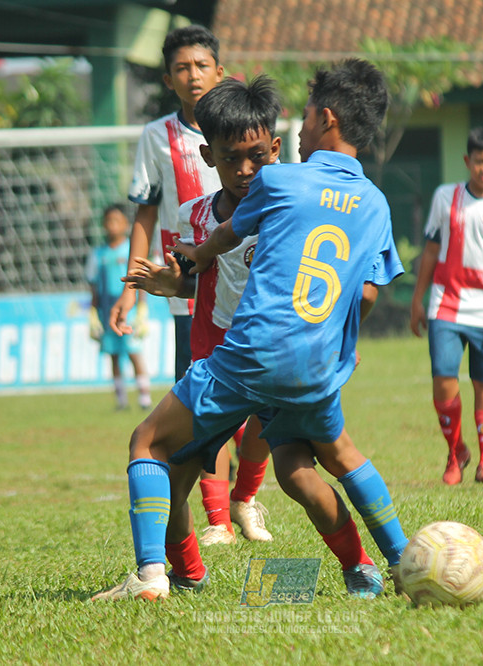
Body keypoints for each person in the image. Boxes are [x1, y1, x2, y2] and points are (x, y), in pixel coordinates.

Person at [92, 59, 410, 602]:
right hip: (315, 365)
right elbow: (371, 292)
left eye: (305, 119)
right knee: (310, 464)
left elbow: (225, 235)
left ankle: (150, 575)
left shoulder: (282, 181)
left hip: (248, 356)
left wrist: (188, 261)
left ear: (325, 118)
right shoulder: (376, 204)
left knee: (149, 442)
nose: (301, 129)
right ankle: (395, 563)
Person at [124, 77, 282, 549]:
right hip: (213, 340)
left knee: (263, 430)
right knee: (207, 433)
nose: (246, 169)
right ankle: (217, 522)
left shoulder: (288, 207)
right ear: (209, 156)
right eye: (231, 158)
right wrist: (172, 283)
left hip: (272, 341)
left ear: (275, 149)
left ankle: (244, 499)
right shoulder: (192, 214)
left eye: (257, 156)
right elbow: (193, 275)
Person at [410, 126, 483, 485]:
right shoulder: (445, 198)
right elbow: (430, 250)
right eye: (478, 161)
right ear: (467, 160)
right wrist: (417, 299)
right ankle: (455, 450)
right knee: (444, 378)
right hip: (446, 304)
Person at [107, 24, 223, 382]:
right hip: (186, 286)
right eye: (182, 68)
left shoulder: (239, 129)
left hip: (242, 279)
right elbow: (146, 212)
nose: (193, 75)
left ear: (219, 72)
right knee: (198, 404)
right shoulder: (157, 136)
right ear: (169, 80)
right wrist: (130, 288)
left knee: (253, 408)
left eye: (201, 65)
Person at [85, 203, 152, 410]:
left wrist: (142, 309)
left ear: (125, 224)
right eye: (108, 221)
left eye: (117, 221)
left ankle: (144, 397)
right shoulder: (98, 254)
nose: (112, 225)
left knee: (133, 352)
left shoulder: (132, 250)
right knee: (113, 355)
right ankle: (121, 398)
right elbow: (93, 284)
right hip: (107, 312)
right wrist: (93, 313)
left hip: (128, 312)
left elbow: (140, 280)